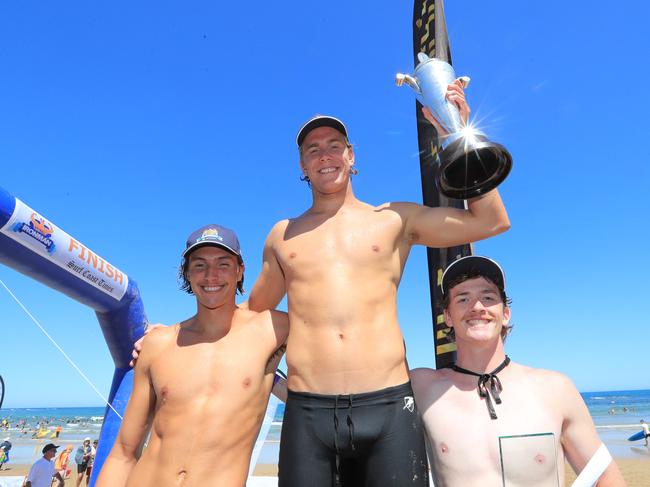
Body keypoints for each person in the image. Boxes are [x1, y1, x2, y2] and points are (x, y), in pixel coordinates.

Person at [97, 224, 288, 487]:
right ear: (186, 273)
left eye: (223, 264)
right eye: (199, 265)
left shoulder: (271, 330)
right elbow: (123, 453)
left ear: (240, 270)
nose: (211, 275)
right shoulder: (158, 344)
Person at [410, 256, 626, 486]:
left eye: (488, 297)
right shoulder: (423, 387)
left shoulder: (555, 389)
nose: (477, 307)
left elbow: (605, 477)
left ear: (505, 314)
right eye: (463, 299)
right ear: (448, 317)